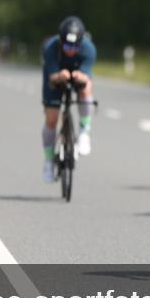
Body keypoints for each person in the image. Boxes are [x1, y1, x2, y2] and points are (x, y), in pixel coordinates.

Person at [41, 16, 97, 182]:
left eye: (75, 46)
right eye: (67, 45)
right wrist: (59, 76)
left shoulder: (89, 49)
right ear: (60, 41)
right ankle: (49, 160)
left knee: (86, 88)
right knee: (51, 119)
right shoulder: (50, 48)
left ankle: (85, 131)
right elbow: (51, 77)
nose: (71, 50)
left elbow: (86, 74)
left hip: (77, 75)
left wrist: (81, 76)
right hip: (55, 78)